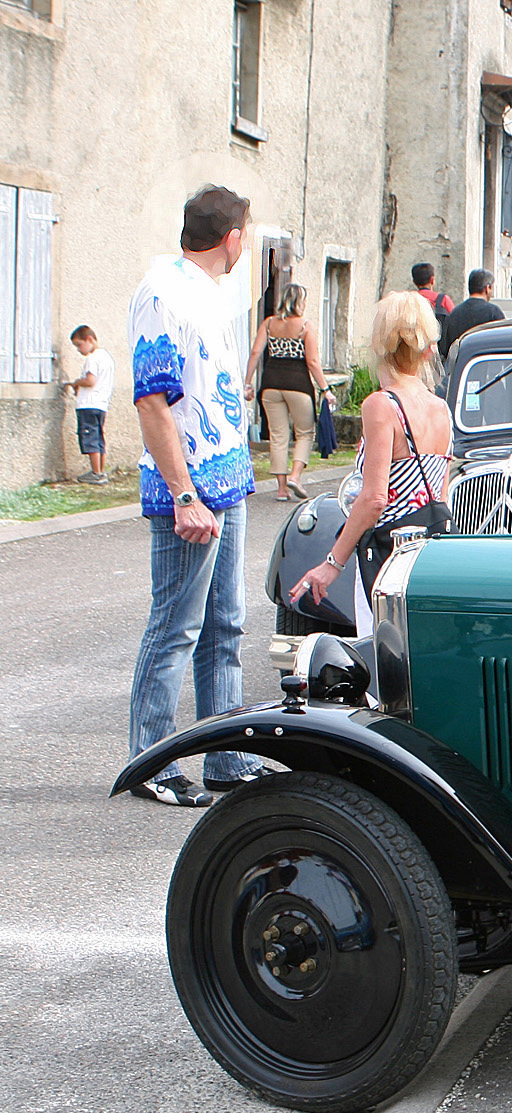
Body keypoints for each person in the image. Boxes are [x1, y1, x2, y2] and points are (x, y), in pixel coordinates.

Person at [126, 185, 269, 806]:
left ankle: (226, 757)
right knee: (176, 627)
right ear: (232, 238)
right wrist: (184, 494)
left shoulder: (214, 294)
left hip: (227, 482)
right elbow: (152, 400)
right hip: (189, 491)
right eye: (247, 235)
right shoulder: (161, 292)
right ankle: (150, 763)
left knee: (226, 627)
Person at [288, 292, 453, 631]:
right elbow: (441, 492)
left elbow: (375, 497)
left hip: (389, 553)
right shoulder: (441, 408)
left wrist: (333, 561)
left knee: (381, 655)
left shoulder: (382, 405)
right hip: (434, 551)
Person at [246, 282, 335, 501]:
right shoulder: (306, 326)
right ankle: (295, 476)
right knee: (305, 433)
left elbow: (256, 352)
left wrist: (247, 382)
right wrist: (326, 389)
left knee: (278, 435)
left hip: (270, 384)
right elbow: (312, 361)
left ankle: (281, 488)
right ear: (299, 302)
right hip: (298, 385)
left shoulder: (269, 324)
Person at [62, 324, 112, 483]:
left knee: (89, 437)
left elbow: (90, 381)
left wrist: (76, 383)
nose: (78, 349)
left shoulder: (93, 358)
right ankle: (101, 471)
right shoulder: (107, 358)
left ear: (89, 339)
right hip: (101, 404)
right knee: (98, 438)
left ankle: (96, 473)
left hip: (88, 404)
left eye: (79, 345)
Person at [439, 268, 505, 359]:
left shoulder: (454, 313)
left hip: (461, 369)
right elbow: (503, 345)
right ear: (487, 288)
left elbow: (445, 349)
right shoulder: (494, 312)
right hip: (486, 367)